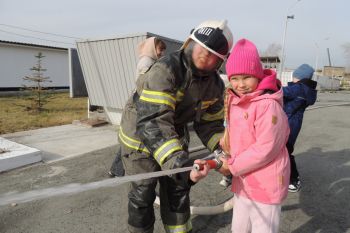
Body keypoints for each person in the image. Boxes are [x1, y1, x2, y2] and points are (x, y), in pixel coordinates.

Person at [118, 19, 233, 233]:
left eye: (212, 55)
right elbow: (154, 121)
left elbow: (210, 124)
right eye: (202, 48)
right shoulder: (166, 69)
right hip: (139, 143)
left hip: (172, 138)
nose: (204, 55)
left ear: (220, 62)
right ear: (190, 42)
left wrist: (222, 149)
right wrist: (178, 165)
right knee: (142, 195)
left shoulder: (216, 86)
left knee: (177, 194)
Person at [218, 39, 290, 233]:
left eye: (246, 77)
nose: (240, 85)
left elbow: (266, 148)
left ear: (257, 75)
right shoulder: (236, 100)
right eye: (234, 78)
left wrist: (232, 165)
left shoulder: (268, 105)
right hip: (243, 180)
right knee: (239, 228)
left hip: (266, 184)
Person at [108, 37, 167, 177]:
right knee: (132, 140)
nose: (162, 53)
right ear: (152, 48)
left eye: (163, 50)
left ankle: (115, 170)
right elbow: (148, 83)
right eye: (160, 49)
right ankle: (117, 170)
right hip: (140, 105)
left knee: (131, 142)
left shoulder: (152, 61)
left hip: (142, 103)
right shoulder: (146, 62)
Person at [283, 63, 317, 192]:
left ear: (300, 77)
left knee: (285, 151)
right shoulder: (306, 89)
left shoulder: (298, 88)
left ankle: (294, 179)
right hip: (294, 123)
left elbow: (281, 91)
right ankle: (286, 176)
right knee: (285, 150)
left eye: (294, 77)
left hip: (289, 124)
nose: (293, 79)